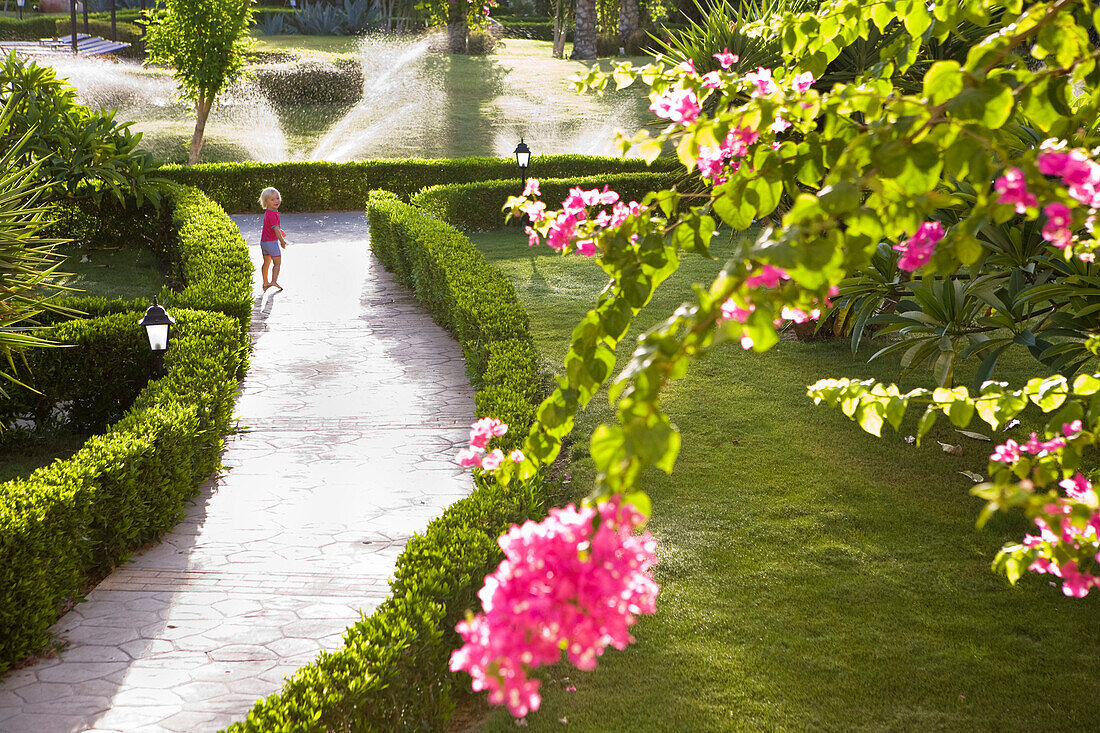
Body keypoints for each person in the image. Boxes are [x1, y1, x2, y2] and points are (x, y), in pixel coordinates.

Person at [258, 187, 289, 291]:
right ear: (266, 202)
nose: (276, 201)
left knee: (266, 263)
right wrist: (282, 241)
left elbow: (274, 227)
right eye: (272, 200)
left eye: (277, 198)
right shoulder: (273, 214)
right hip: (272, 243)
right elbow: (276, 230)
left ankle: (265, 282)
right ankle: (274, 281)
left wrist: (280, 231)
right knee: (277, 263)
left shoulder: (269, 212)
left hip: (264, 242)